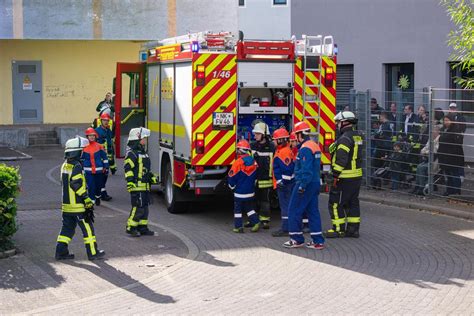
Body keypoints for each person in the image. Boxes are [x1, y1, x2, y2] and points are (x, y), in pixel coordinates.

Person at [55, 136, 105, 261]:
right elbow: (76, 184)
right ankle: (93, 253)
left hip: (66, 206)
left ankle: (61, 253)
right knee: (88, 230)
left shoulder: (65, 165)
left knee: (66, 230)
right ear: (76, 152)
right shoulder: (77, 165)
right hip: (77, 206)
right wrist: (86, 198)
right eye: (81, 150)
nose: (83, 152)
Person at [283, 121, 325, 250]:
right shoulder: (314, 145)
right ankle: (318, 241)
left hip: (305, 183)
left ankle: (296, 239)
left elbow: (306, 170)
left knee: (294, 210)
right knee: (313, 211)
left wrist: (301, 186)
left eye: (296, 134)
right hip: (315, 183)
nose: (295, 137)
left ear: (300, 134)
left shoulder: (305, 148)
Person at [325, 111, 363, 238]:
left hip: (344, 178)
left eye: (338, 122)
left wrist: (334, 175)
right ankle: (353, 230)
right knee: (353, 203)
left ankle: (338, 229)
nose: (337, 125)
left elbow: (341, 159)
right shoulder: (357, 136)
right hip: (356, 176)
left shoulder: (344, 139)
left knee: (336, 203)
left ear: (344, 122)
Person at [124, 127, 158, 237]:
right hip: (136, 186)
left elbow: (144, 170)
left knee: (145, 209)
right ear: (137, 139)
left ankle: (143, 227)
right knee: (138, 207)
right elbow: (128, 169)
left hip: (144, 186)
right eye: (144, 138)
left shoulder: (143, 152)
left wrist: (151, 177)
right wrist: (130, 182)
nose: (145, 140)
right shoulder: (132, 154)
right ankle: (131, 227)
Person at [228, 140, 260, 233]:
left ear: (239, 151)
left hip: (239, 192)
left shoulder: (238, 163)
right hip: (250, 192)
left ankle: (238, 227)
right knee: (249, 208)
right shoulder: (254, 161)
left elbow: (231, 177)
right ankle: (256, 222)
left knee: (238, 210)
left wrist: (231, 186)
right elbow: (256, 175)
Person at [271, 128, 295, 237]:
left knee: (285, 206)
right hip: (286, 184)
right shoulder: (282, 150)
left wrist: (281, 182)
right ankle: (288, 227)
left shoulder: (283, 152)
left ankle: (286, 228)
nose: (273, 141)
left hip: (285, 185)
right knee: (287, 205)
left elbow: (287, 170)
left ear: (280, 140)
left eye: (275, 140)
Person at [250, 122, 275, 229]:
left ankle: (264, 220)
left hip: (266, 179)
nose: (255, 136)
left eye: (257, 134)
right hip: (254, 179)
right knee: (253, 201)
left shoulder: (272, 147)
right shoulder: (252, 146)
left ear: (264, 134)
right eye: (254, 134)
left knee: (265, 201)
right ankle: (253, 220)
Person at [438, 114, 464, 196]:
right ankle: (449, 190)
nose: (445, 122)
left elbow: (458, 143)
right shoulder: (443, 129)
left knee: (454, 173)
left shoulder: (456, 129)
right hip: (444, 156)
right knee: (448, 174)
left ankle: (456, 191)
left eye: (447, 120)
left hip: (453, 157)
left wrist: (451, 153)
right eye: (444, 120)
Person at [82, 128, 109, 206]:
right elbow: (82, 159)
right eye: (90, 136)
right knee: (91, 187)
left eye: (93, 135)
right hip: (88, 171)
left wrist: (106, 167)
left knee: (98, 186)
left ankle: (98, 197)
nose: (92, 137)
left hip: (99, 171)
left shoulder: (99, 146)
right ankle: (92, 201)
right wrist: (82, 169)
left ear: (95, 136)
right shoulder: (84, 147)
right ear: (87, 137)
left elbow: (105, 158)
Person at [412, 126, 441, 195]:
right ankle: (418, 186)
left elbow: (435, 150)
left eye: (433, 131)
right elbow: (426, 147)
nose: (432, 133)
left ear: (438, 131)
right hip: (428, 159)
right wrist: (423, 151)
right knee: (419, 166)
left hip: (436, 161)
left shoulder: (439, 139)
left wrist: (426, 152)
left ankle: (422, 188)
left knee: (422, 168)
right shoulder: (430, 139)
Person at [95, 113, 115, 201]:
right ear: (101, 121)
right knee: (101, 175)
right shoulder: (97, 131)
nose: (106, 122)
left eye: (107, 120)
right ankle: (102, 193)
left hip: (108, 157)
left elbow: (111, 142)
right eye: (104, 120)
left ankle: (100, 192)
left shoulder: (108, 131)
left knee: (105, 174)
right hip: (100, 157)